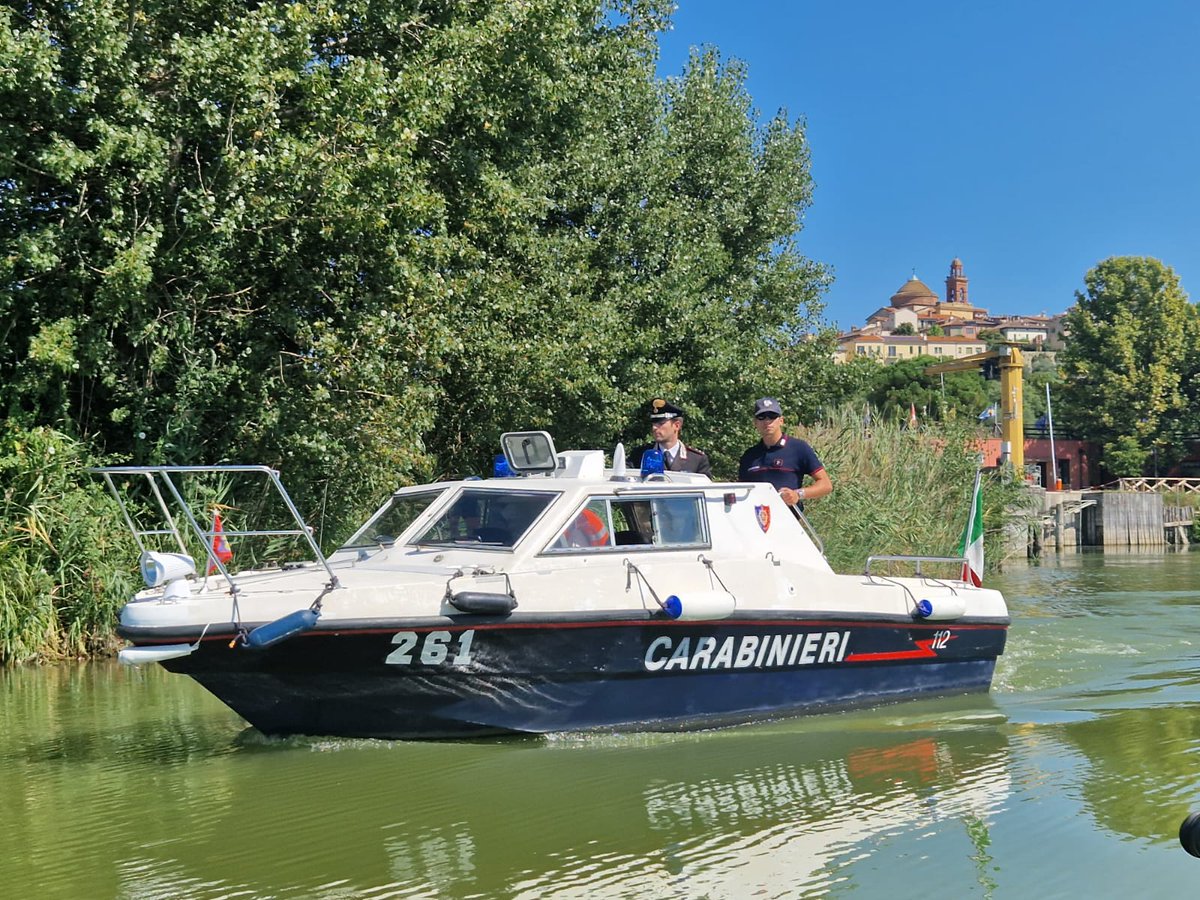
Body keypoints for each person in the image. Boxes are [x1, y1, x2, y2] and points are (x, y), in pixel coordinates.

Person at [738, 398, 832, 511]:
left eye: (772, 416)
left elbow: (826, 485)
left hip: (788, 522)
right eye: (761, 417)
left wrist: (798, 494)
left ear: (781, 420)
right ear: (755, 423)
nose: (767, 421)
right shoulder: (749, 455)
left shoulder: (798, 448)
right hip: (756, 523)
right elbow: (741, 491)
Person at [630, 399, 712, 475]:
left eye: (660, 423)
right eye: (653, 424)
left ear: (676, 426)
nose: (654, 428)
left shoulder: (696, 459)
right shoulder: (639, 456)